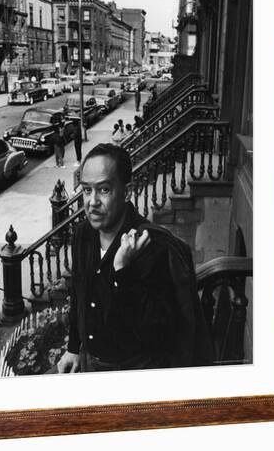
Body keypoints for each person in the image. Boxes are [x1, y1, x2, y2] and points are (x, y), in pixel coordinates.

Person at [57, 144, 213, 373]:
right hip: (91, 363)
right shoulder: (83, 235)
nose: (92, 202)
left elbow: (159, 333)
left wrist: (123, 271)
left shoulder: (155, 247)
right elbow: (79, 293)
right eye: (87, 190)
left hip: (134, 370)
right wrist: (73, 347)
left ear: (126, 192)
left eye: (104, 190)